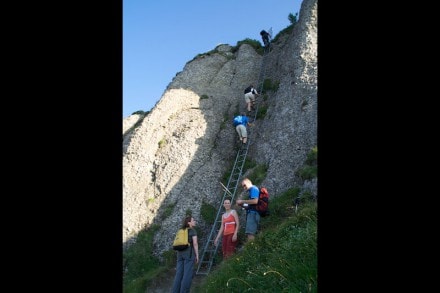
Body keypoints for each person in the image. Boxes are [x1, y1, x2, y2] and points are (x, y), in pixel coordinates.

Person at [171, 215, 199, 293]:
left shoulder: (180, 230)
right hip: (189, 254)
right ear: (189, 222)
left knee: (178, 275)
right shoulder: (192, 231)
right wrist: (197, 255)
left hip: (179, 254)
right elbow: (195, 243)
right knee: (187, 275)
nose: (194, 221)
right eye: (193, 220)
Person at [236, 178, 260, 242]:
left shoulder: (253, 189)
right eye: (243, 186)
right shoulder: (251, 191)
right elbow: (250, 206)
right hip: (253, 212)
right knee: (252, 234)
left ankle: (251, 250)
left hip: (253, 214)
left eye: (244, 185)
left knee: (250, 234)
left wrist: (242, 201)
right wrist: (242, 204)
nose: (244, 187)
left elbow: (255, 201)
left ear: (249, 182)